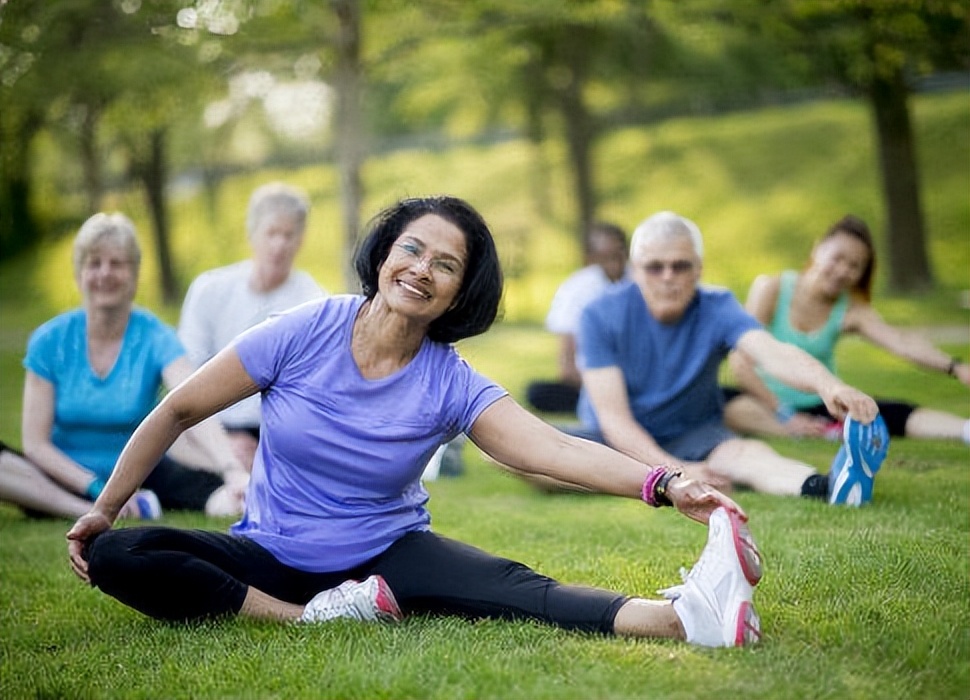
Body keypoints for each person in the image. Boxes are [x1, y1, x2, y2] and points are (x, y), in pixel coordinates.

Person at [68, 196, 765, 649]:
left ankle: (686, 618)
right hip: (272, 554)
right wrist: (103, 508)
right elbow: (180, 407)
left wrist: (667, 483)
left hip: (387, 554)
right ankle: (309, 618)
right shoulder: (304, 329)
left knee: (521, 592)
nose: (421, 269)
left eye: (446, 265)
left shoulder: (449, 380)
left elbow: (548, 448)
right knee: (118, 554)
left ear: (462, 291)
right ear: (383, 254)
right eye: (411, 249)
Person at [561, 210, 887, 505]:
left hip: (693, 431)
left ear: (699, 269)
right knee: (540, 465)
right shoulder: (597, 315)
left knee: (745, 453)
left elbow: (771, 352)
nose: (668, 277)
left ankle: (827, 487)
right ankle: (641, 478)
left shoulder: (717, 306)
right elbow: (614, 419)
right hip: (612, 439)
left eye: (680, 265)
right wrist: (675, 471)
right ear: (635, 271)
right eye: (654, 267)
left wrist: (829, 385)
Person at [0, 213, 249, 520]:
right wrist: (95, 488)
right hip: (63, 476)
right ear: (80, 273)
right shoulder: (49, 341)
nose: (105, 273)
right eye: (94, 263)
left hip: (140, 473)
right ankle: (91, 509)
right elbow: (35, 446)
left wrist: (232, 468)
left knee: (228, 497)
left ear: (134, 274)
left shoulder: (156, 336)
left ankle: (113, 505)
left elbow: (193, 400)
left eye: (117, 263)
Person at [724, 214, 970, 443]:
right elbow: (740, 362)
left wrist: (955, 367)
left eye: (854, 266)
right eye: (838, 258)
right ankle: (805, 430)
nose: (843, 271)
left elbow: (901, 342)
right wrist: (785, 414)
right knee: (729, 405)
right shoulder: (772, 288)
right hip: (763, 401)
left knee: (888, 411)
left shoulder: (852, 311)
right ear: (818, 249)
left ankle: (965, 430)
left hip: (822, 402)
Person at [178, 182, 325, 471]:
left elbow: (306, 389)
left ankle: (242, 476)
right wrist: (223, 440)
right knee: (168, 437)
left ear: (301, 240)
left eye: (289, 235)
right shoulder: (209, 288)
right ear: (252, 233)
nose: (279, 245)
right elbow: (188, 373)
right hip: (209, 421)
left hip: (273, 427)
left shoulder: (314, 301)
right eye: (271, 233)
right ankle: (232, 473)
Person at [526, 222, 629, 414]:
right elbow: (567, 368)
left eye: (618, 255)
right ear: (591, 258)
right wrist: (607, 384)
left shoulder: (643, 282)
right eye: (605, 257)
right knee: (537, 392)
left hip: (637, 378)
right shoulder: (576, 291)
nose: (614, 264)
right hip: (593, 380)